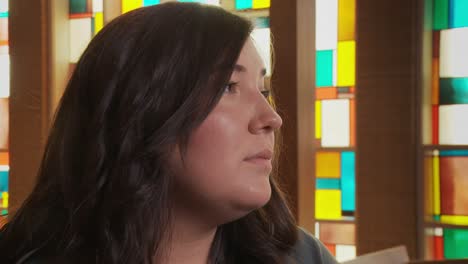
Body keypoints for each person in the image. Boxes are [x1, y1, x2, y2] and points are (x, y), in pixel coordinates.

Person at [0, 3, 337, 264]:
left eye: (263, 90)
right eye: (227, 87)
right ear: (138, 113)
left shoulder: (302, 256)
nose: (271, 118)